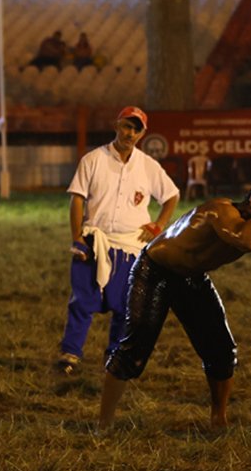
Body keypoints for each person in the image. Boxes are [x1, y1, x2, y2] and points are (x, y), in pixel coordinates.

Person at [99, 184, 251, 431]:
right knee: (134, 350)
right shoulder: (219, 211)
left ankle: (218, 419)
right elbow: (245, 240)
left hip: (191, 276)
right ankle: (103, 424)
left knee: (221, 351)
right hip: (154, 270)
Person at [56, 106, 181, 377]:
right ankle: (70, 354)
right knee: (82, 300)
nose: (131, 133)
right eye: (127, 126)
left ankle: (114, 357)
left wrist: (159, 225)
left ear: (143, 133)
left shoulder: (148, 166)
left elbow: (171, 196)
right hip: (95, 241)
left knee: (126, 306)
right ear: (116, 125)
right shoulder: (93, 160)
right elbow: (77, 198)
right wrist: (77, 238)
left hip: (131, 247)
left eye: (137, 129)